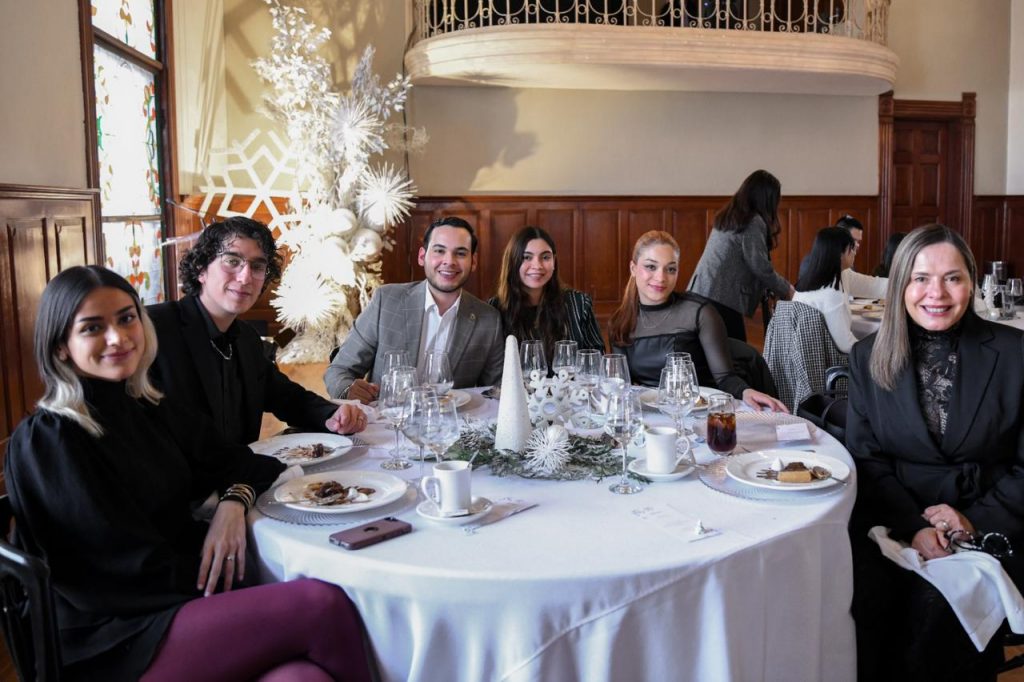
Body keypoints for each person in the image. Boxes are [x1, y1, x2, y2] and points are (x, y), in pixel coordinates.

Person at [4, 266, 372, 681]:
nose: (118, 337)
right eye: (93, 328)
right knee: (320, 604)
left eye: (126, 318)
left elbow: (252, 464)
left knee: (302, 678)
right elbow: (117, 575)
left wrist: (234, 502)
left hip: (172, 597)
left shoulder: (147, 406)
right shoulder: (50, 439)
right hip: (110, 637)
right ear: (60, 347)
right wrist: (235, 583)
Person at [846, 224, 1024, 680]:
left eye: (952, 278)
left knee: (936, 611)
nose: (936, 294)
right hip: (894, 518)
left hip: (997, 519)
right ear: (900, 285)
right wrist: (915, 526)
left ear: (972, 283)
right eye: (921, 278)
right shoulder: (867, 356)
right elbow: (866, 459)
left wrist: (971, 520)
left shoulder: (1015, 353)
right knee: (858, 596)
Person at [148, 216, 367, 447]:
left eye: (257, 266)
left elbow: (285, 396)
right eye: (232, 261)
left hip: (242, 469)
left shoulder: (246, 338)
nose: (245, 277)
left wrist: (332, 415)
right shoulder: (154, 329)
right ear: (201, 268)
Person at [325, 216, 504, 402]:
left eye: (460, 253)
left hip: (453, 419)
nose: (449, 261)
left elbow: (497, 391)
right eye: (439, 251)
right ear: (421, 257)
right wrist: (348, 389)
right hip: (387, 417)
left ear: (473, 262)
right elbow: (339, 370)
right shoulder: (386, 301)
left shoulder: (489, 320)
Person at [609, 230, 787, 411]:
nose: (661, 278)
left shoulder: (698, 312)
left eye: (670, 269)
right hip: (651, 414)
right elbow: (623, 387)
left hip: (699, 411)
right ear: (633, 268)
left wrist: (746, 391)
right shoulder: (620, 323)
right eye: (651, 267)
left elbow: (725, 378)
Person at [688, 169, 794, 341]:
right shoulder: (753, 221)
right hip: (721, 298)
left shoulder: (731, 216)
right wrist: (786, 290)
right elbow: (760, 267)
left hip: (702, 291)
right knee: (736, 350)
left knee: (718, 348)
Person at [488, 226, 604, 363]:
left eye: (545, 257)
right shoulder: (494, 309)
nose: (537, 265)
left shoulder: (579, 304)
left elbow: (597, 359)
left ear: (554, 261)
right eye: (527, 257)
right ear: (512, 262)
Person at [792, 226, 859, 353]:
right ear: (840, 254)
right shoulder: (832, 293)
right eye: (851, 249)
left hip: (800, 356)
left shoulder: (804, 285)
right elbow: (845, 345)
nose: (854, 253)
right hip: (825, 360)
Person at [798, 213, 864, 283]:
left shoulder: (847, 260)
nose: (857, 245)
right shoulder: (812, 262)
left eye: (858, 241)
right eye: (853, 240)